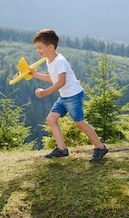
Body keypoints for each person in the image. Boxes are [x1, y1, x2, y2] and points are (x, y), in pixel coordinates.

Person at [30, 29, 109, 162]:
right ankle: (62, 149)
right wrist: (36, 75)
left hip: (74, 95)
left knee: (80, 123)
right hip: (64, 96)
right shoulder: (48, 60)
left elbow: (61, 82)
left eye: (40, 48)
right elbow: (54, 78)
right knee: (51, 119)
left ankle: (100, 147)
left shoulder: (60, 61)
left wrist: (45, 92)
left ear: (50, 47)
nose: (38, 51)